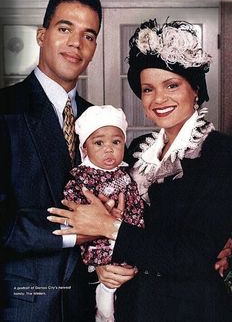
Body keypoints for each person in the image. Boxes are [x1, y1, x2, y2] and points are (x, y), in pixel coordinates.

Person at [47, 19, 232, 321]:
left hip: (191, 309)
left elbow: (193, 256)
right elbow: (130, 230)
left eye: (172, 85)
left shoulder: (222, 153)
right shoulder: (135, 151)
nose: (158, 99)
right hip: (134, 305)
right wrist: (103, 266)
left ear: (195, 89)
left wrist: (107, 227)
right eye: (148, 89)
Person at [0, 0, 115, 321]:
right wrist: (76, 233)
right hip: (23, 305)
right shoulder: (6, 108)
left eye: (88, 35)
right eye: (65, 29)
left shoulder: (100, 120)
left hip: (86, 301)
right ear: (42, 35)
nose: (76, 43)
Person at [59, 104, 144, 321]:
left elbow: (136, 202)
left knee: (127, 272)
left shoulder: (126, 174)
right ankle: (104, 309)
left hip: (126, 232)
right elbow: (75, 206)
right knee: (108, 281)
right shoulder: (83, 177)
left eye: (116, 142)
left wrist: (129, 221)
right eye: (99, 143)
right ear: (85, 149)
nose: (109, 149)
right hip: (97, 239)